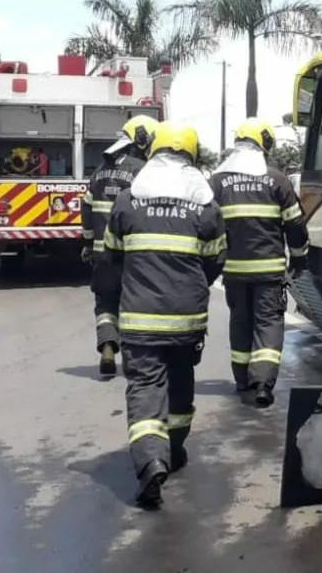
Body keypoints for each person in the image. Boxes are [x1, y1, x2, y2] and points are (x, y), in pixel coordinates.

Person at [103, 122, 226, 507]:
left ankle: (151, 461)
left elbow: (112, 258)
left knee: (144, 389)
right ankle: (174, 448)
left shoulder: (127, 201)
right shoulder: (206, 207)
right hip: (187, 319)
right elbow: (215, 261)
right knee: (181, 379)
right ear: (191, 156)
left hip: (140, 320)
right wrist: (191, 288)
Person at [210, 118, 307, 407]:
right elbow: (295, 224)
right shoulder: (277, 179)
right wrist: (299, 258)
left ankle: (242, 380)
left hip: (234, 272)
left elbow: (206, 224)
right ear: (263, 145)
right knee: (267, 323)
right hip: (269, 271)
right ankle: (263, 383)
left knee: (240, 322)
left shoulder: (217, 181)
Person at [81, 115, 158, 378]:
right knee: (134, 305)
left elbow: (87, 206)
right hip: (133, 254)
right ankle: (135, 359)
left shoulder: (100, 170)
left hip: (102, 253)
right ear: (143, 139)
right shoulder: (142, 170)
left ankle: (107, 346)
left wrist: (88, 243)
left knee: (105, 301)